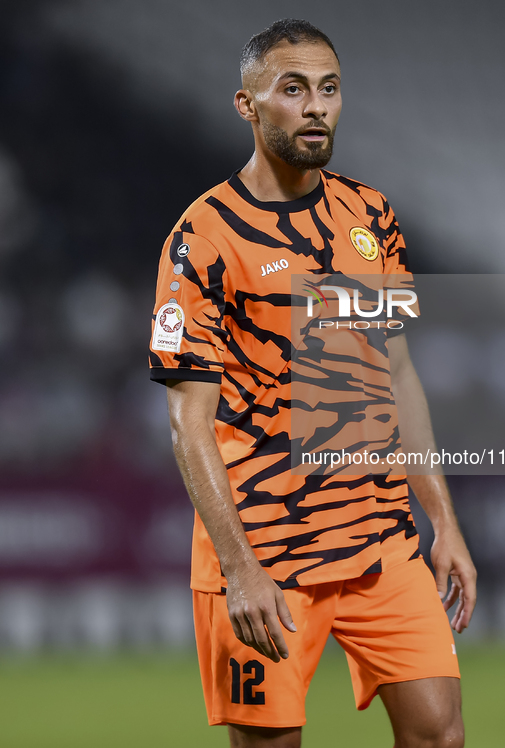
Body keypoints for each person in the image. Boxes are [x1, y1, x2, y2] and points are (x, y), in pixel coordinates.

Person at [149, 18, 476, 748]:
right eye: (292, 89)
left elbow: (394, 373)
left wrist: (442, 522)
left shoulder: (370, 216)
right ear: (247, 104)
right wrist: (239, 571)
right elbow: (187, 423)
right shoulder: (203, 237)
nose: (315, 106)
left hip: (377, 537)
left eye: (328, 89)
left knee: (440, 735)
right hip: (266, 547)